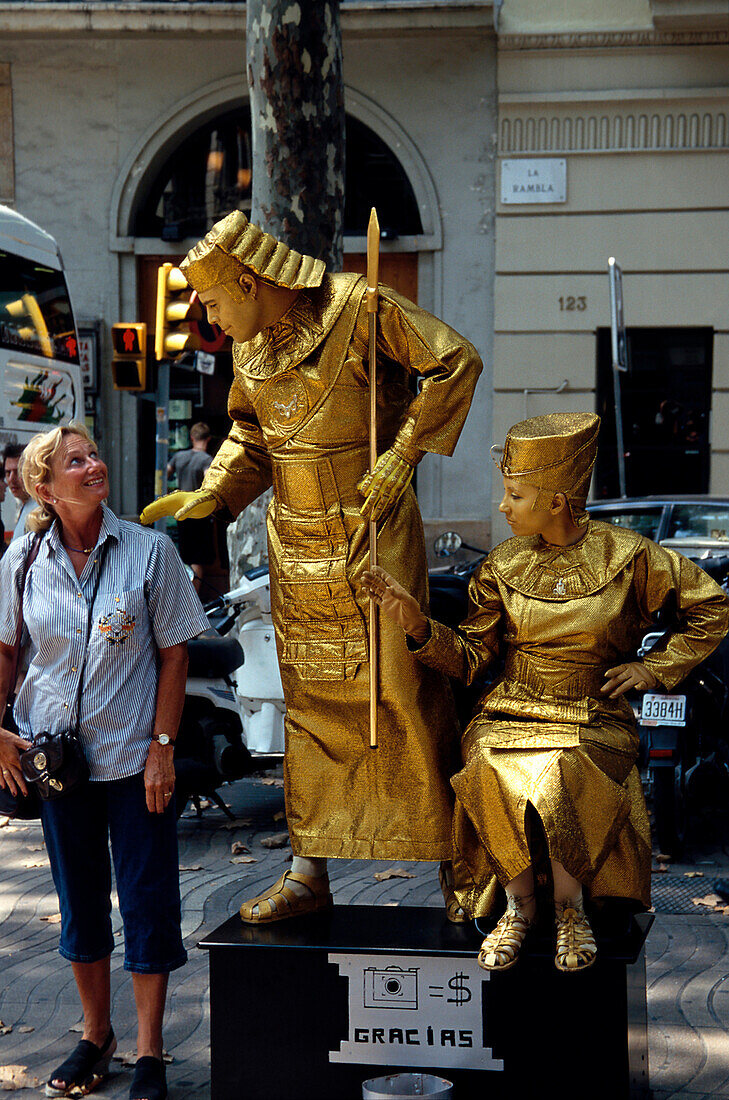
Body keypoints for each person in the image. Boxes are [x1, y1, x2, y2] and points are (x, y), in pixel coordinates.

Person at [141, 210, 483, 924]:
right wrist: (215, 492)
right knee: (310, 706)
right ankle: (308, 869)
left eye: (212, 300)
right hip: (293, 545)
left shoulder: (359, 307)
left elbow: (454, 361)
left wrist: (400, 457)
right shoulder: (248, 350)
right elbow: (251, 433)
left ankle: (461, 863)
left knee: (401, 691)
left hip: (369, 529)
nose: (208, 315)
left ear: (247, 279)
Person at [363, 412, 729, 973]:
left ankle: (570, 909)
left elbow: (712, 608)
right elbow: (470, 659)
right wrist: (417, 626)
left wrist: (656, 668)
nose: (504, 507)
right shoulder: (502, 565)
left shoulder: (632, 557)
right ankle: (519, 906)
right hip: (512, 707)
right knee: (485, 759)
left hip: (594, 714)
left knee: (563, 767)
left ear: (557, 501)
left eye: (515, 495)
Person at [0, 423, 208, 1100]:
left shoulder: (150, 552)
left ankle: (150, 1049)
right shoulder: (22, 558)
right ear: (45, 485)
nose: (94, 466)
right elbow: (6, 651)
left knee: (147, 901)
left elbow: (175, 653)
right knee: (79, 902)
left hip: (134, 759)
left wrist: (163, 747)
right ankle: (96, 1036)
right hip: (55, 762)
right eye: (75, 461)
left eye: (94, 454)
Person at [166, 422, 217, 594]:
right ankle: (193, 597)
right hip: (199, 513)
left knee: (186, 556)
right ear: (208, 439)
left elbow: (164, 473)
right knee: (197, 558)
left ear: (192, 437)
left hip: (181, 512)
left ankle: (184, 595)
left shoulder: (179, 457)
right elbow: (208, 481)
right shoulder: (206, 459)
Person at [3, 442, 34, 541]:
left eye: (18, 472)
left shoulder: (40, 511)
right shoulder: (26, 506)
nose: (11, 479)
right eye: (8, 473)